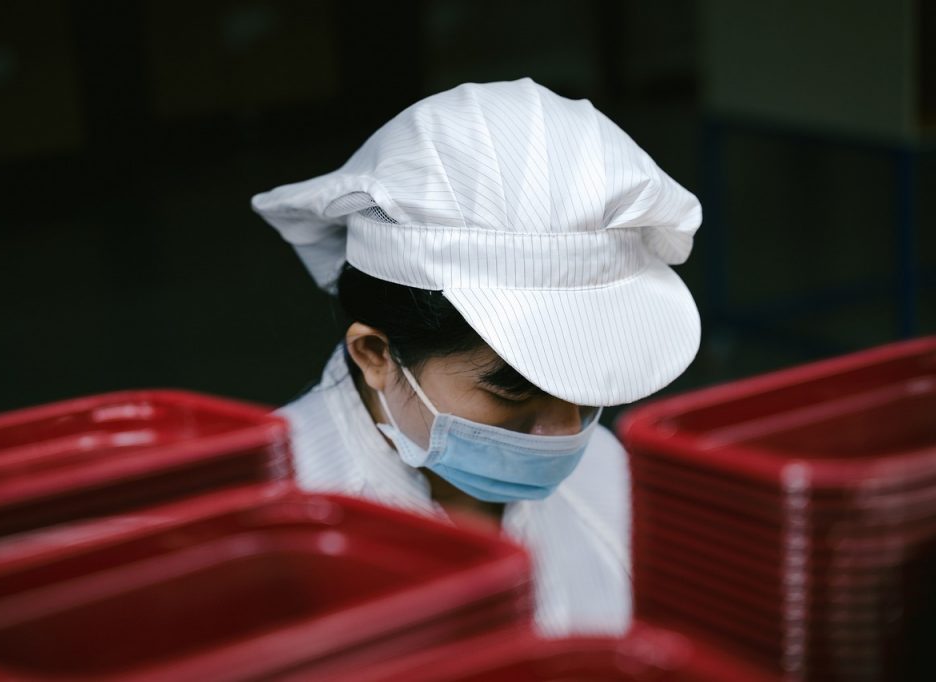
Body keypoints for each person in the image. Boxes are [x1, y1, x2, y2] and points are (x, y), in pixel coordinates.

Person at [250, 77, 701, 637]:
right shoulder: (261, 529)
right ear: (376, 356)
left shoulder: (606, 475)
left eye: (584, 388)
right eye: (512, 388)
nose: (565, 432)